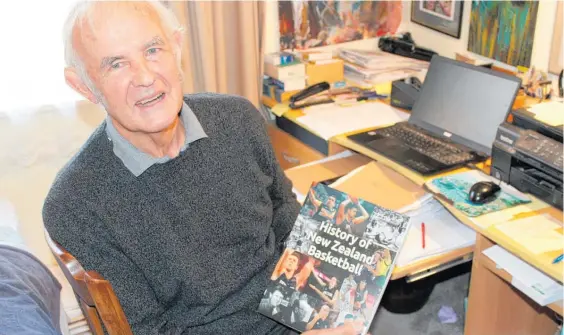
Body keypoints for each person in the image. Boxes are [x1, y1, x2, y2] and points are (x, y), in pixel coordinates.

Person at [43, 1, 362, 335]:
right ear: (82, 85)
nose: (145, 77)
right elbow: (151, 331)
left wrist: (331, 305)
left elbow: (283, 209)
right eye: (116, 65)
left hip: (296, 312)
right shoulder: (75, 205)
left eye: (153, 50)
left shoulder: (238, 118)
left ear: (177, 48)